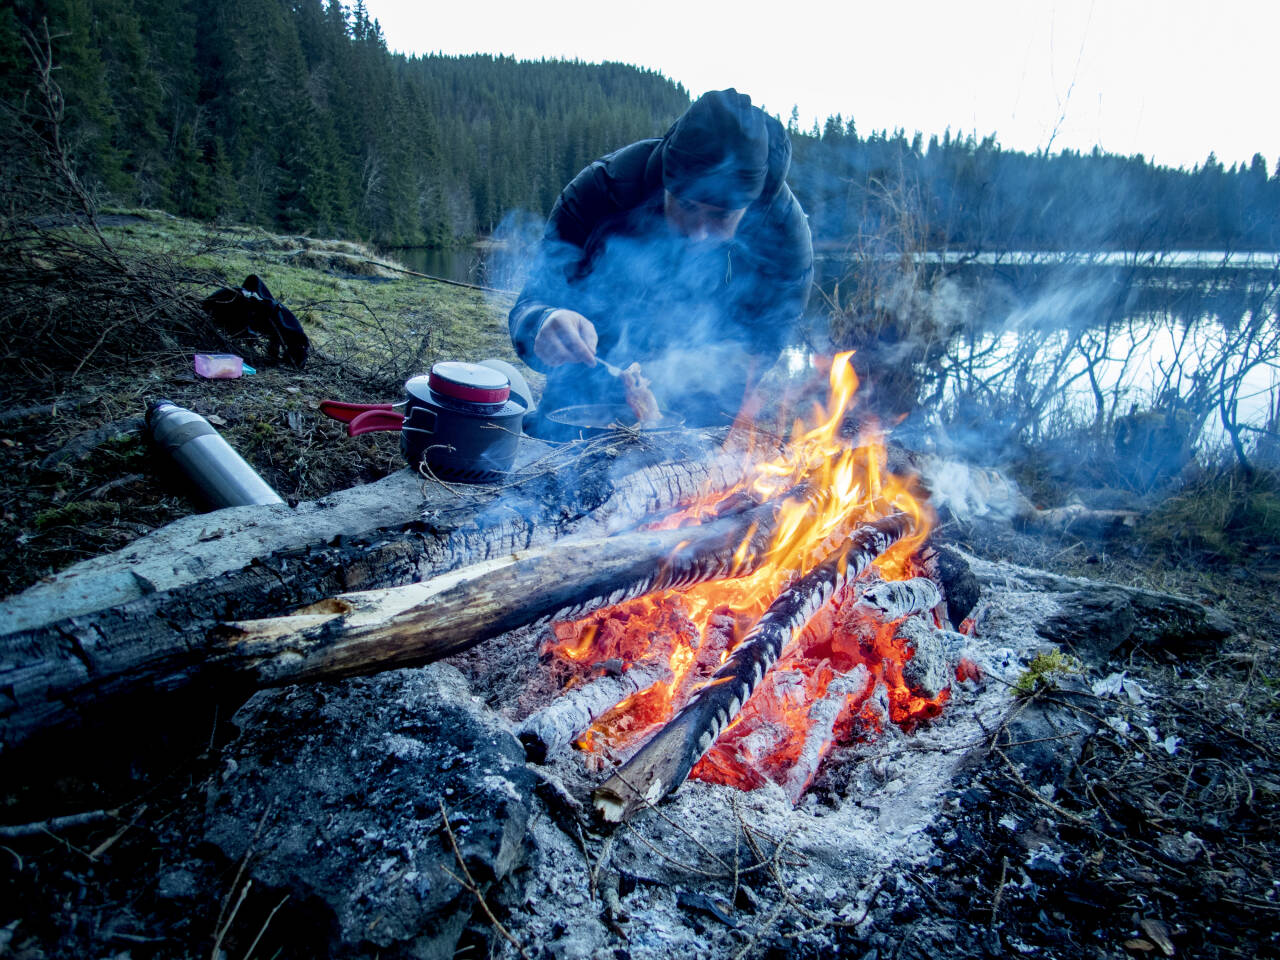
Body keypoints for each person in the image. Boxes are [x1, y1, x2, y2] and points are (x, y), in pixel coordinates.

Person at [509, 88, 813, 431]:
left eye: (721, 217)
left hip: (701, 416)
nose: (698, 232)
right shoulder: (603, 191)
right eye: (686, 206)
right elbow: (528, 306)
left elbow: (767, 342)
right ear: (665, 182)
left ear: (749, 209)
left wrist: (689, 367)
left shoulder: (782, 232)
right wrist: (543, 321)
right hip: (582, 402)